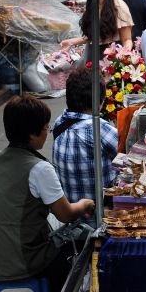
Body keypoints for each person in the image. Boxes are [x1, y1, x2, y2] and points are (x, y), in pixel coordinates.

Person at [0, 96, 95, 292]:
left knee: (50, 225)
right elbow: (66, 214)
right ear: (32, 134)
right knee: (85, 235)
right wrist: (84, 204)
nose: (47, 132)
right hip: (20, 259)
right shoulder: (39, 168)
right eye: (46, 128)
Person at [52, 66, 119, 208]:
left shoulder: (59, 122)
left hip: (72, 215)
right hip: (101, 217)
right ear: (100, 102)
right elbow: (130, 159)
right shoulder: (99, 128)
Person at [60, 0, 133, 58]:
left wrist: (121, 58)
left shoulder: (118, 6)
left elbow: (127, 39)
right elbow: (95, 36)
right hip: (91, 56)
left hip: (110, 58)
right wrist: (71, 42)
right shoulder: (92, 4)